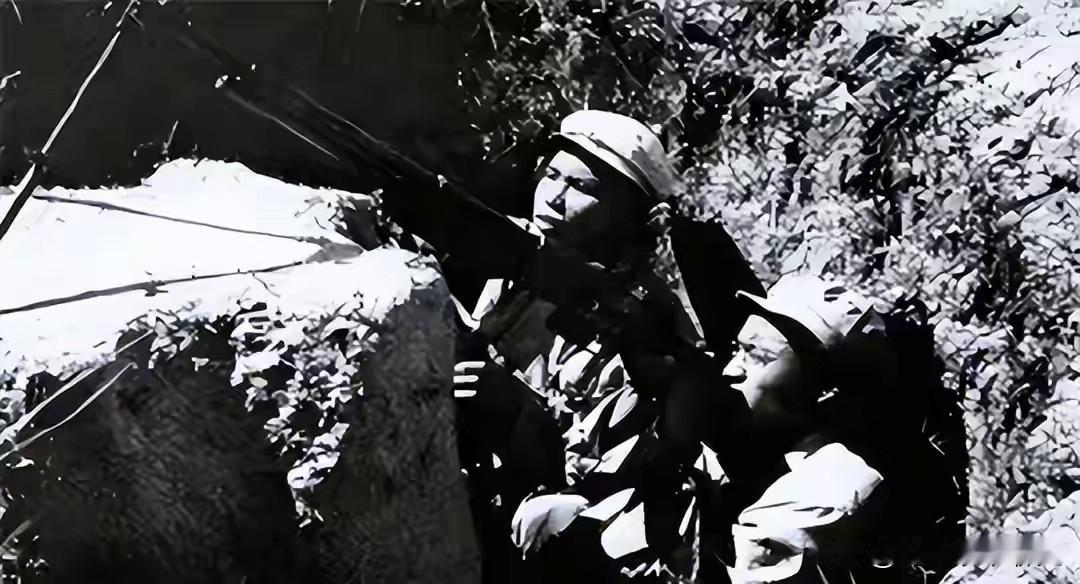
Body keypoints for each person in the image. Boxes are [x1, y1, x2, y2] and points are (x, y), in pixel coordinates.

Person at [449, 110, 764, 583]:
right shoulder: (520, 265)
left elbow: (607, 477)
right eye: (551, 175)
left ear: (629, 214)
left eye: (583, 188)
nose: (554, 196)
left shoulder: (645, 324)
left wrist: (519, 411)